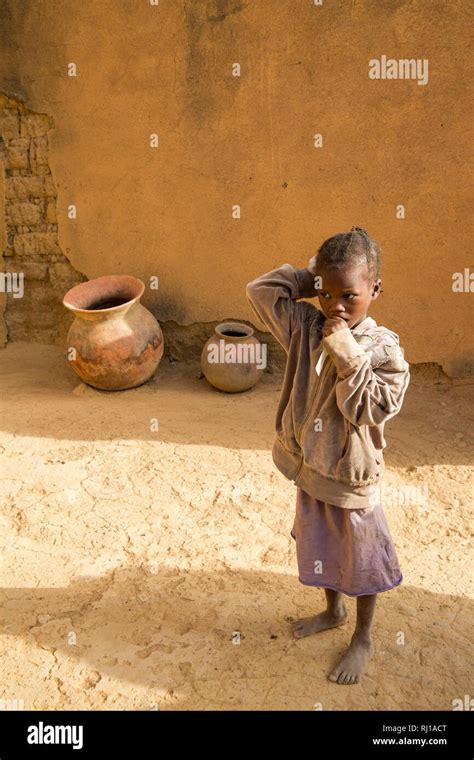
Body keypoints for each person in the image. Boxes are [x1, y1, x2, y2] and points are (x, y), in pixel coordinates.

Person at [245, 227, 410, 685]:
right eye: (326, 293)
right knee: (321, 546)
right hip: (310, 469)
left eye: (349, 295)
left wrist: (345, 350)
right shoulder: (305, 326)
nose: (336, 305)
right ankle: (333, 611)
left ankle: (363, 637)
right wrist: (310, 277)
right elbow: (260, 292)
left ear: (375, 290)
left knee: (361, 559)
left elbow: (367, 408)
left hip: (350, 477)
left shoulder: (384, 351)